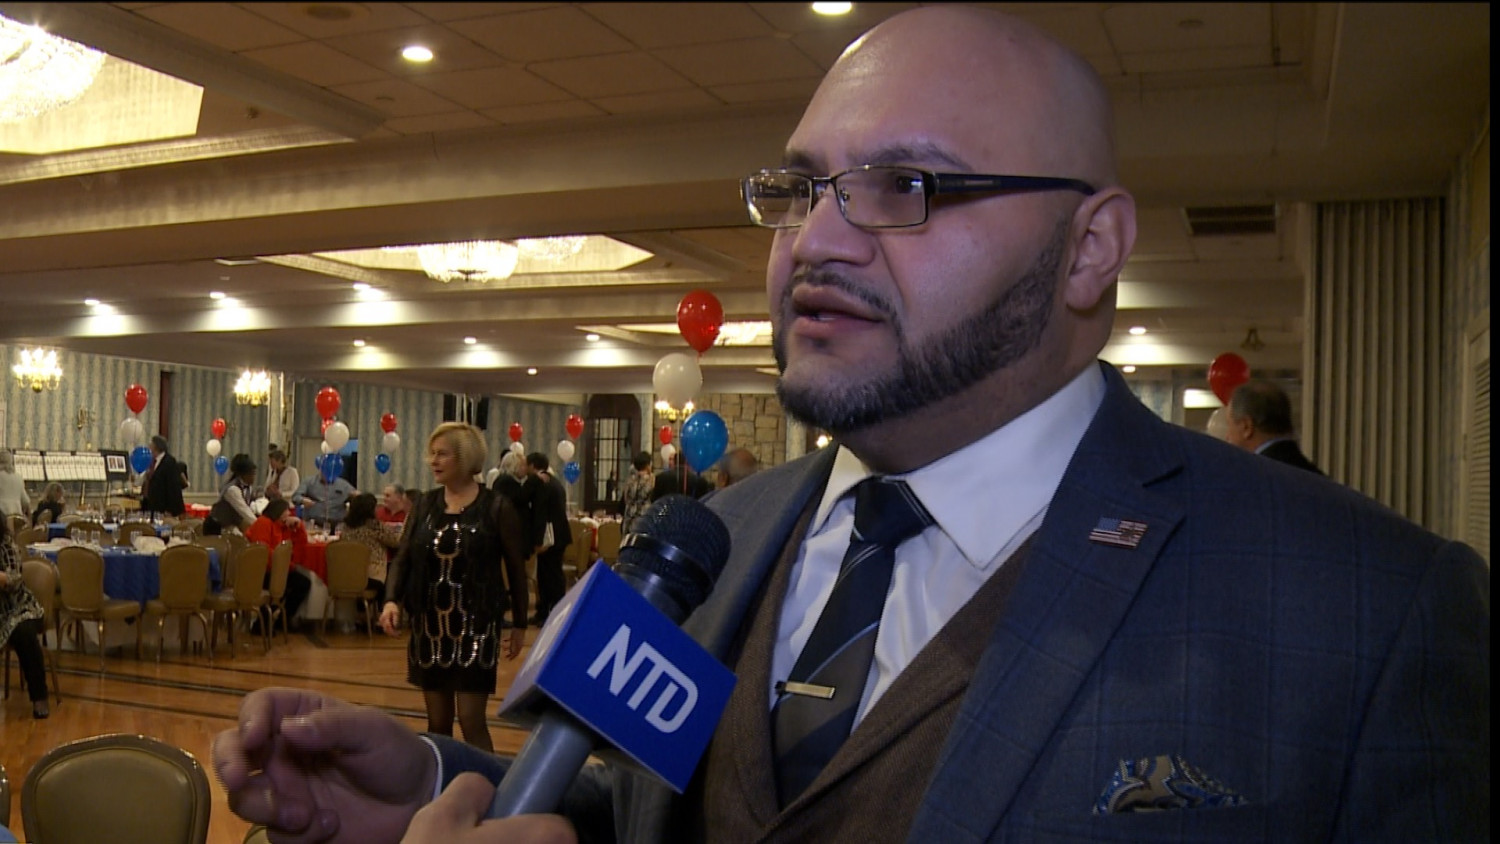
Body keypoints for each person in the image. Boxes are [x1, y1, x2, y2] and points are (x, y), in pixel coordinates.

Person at [213, 7, 1489, 843]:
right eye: (799, 187)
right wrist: (444, 787)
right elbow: (643, 801)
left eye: (908, 186)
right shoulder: (716, 540)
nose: (812, 239)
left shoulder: (1369, 612)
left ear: (1089, 247)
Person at [377, 422, 529, 753]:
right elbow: (403, 558)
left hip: (476, 627)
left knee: (472, 720)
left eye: (442, 454)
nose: (433, 461)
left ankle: (489, 788)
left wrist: (519, 622)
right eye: (431, 454)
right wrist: (391, 601)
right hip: (429, 626)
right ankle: (442, 787)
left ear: (464, 458)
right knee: (438, 723)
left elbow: (516, 568)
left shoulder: (496, 506)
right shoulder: (425, 505)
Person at [1, 516, 51, 718]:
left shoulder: (6, 544)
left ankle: (39, 696)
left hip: (21, 607)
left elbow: (15, 579)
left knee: (23, 634)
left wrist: (2, 578)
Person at [1225, 379, 1324, 474]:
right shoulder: (1320, 479)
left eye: (1229, 425)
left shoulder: (1248, 479)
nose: (1227, 437)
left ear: (1246, 427)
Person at [244, 498, 314, 622]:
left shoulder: (282, 527)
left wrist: (299, 526)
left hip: (277, 568)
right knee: (293, 584)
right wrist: (287, 565)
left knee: (302, 583)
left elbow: (298, 546)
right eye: (286, 510)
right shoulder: (263, 523)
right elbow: (263, 551)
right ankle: (269, 621)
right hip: (261, 571)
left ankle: (281, 620)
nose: (289, 514)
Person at [521, 452, 571, 626]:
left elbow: (540, 514)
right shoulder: (555, 481)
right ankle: (546, 611)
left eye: (527, 465)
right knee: (549, 574)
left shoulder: (542, 484)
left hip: (550, 537)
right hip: (559, 534)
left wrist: (538, 540)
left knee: (551, 576)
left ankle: (552, 613)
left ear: (533, 466)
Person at [341, 492, 400, 610]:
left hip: (346, 576)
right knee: (393, 575)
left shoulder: (346, 527)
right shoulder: (374, 526)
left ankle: (363, 615)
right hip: (371, 577)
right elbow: (395, 542)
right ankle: (381, 614)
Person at [205, 453, 257, 536]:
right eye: (252, 474)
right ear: (243, 474)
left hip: (229, 525)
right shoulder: (232, 490)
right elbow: (244, 511)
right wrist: (261, 526)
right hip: (216, 527)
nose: (254, 477)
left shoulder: (248, 488)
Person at [140, 434, 186, 516]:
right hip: (151, 506)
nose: (149, 448)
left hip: (164, 508)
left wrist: (170, 510)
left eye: (151, 445)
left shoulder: (169, 462)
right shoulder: (152, 462)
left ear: (156, 447)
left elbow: (173, 488)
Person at [619, 450, 655, 533]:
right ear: (647, 465)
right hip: (644, 518)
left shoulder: (629, 481)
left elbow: (625, 499)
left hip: (628, 518)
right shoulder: (651, 480)